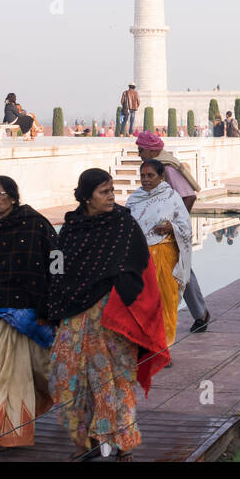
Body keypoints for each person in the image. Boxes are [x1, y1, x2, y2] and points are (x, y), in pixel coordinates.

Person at [48, 168, 169, 462]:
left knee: (115, 380)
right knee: (68, 378)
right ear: (87, 197)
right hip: (74, 314)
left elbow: (140, 264)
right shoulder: (71, 228)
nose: (111, 197)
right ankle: (88, 440)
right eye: (104, 192)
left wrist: (119, 286)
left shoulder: (123, 224)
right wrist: (53, 304)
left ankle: (123, 443)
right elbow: (56, 267)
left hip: (112, 315)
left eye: (112, 190)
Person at [0, 175, 58, 452]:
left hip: (31, 313)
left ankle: (10, 427)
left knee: (39, 372)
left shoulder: (34, 224)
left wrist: (52, 302)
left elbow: (57, 259)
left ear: (12, 196)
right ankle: (2, 433)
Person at [134, 131, 210, 333]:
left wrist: (175, 224)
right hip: (154, 239)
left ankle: (199, 314)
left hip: (169, 235)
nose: (139, 154)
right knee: (180, 272)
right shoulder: (156, 166)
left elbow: (188, 196)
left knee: (182, 271)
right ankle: (199, 314)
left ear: (151, 149)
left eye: (141, 150)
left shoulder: (166, 167)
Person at [125, 159, 192, 347]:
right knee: (143, 302)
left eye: (150, 176)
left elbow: (186, 228)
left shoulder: (171, 197)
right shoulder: (134, 199)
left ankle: (164, 347)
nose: (145, 180)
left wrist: (172, 227)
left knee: (165, 301)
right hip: (140, 258)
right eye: (143, 176)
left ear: (161, 177)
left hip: (165, 255)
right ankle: (146, 345)